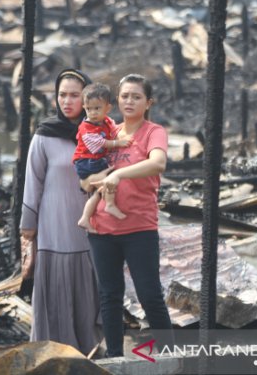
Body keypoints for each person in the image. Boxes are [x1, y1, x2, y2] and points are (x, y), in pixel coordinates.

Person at [87, 73, 175, 357]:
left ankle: (170, 358)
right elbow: (86, 173)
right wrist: (96, 177)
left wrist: (119, 173)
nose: (129, 101)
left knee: (150, 295)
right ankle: (115, 357)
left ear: (148, 102)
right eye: (124, 96)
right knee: (110, 297)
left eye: (136, 96)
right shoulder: (109, 133)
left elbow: (158, 163)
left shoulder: (153, 131)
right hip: (102, 229)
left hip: (139, 228)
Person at [20, 68, 101, 355]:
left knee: (90, 293)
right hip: (54, 230)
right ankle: (52, 353)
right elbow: (33, 184)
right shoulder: (44, 135)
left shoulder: (98, 134)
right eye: (62, 95)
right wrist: (28, 231)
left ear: (87, 98)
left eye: (74, 95)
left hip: (90, 229)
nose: (67, 101)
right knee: (55, 293)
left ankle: (89, 351)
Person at [73, 83, 132, 230]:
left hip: (93, 160)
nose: (92, 113)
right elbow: (99, 143)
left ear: (108, 108)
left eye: (97, 108)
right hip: (86, 161)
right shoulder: (85, 127)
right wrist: (118, 143)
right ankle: (110, 204)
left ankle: (85, 217)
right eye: (88, 109)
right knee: (113, 175)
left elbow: (114, 128)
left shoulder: (106, 121)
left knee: (98, 192)